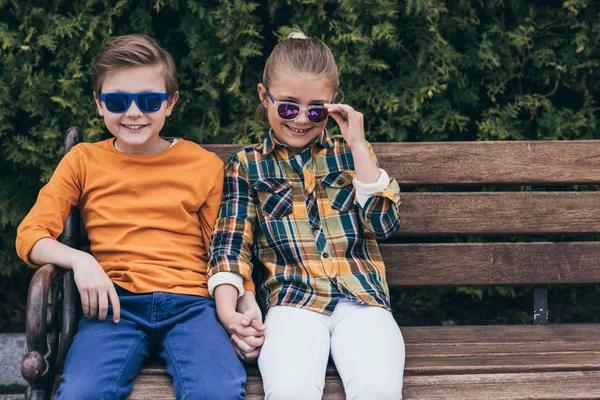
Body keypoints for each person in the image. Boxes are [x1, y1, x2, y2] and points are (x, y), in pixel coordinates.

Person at [16, 34, 258, 400]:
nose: (133, 112)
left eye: (148, 100)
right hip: (115, 306)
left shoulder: (204, 166)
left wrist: (245, 303)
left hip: (192, 307)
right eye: (117, 100)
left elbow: (224, 248)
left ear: (170, 102)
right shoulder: (83, 161)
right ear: (99, 103)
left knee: (219, 390)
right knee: (81, 392)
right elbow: (30, 235)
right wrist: (80, 260)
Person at [208, 30, 405, 399]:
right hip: (292, 302)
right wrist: (228, 310)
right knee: (290, 390)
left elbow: (384, 223)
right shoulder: (247, 165)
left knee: (378, 389)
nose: (300, 119)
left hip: (363, 301)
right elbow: (231, 243)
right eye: (287, 106)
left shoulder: (350, 156)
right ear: (263, 96)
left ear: (333, 106)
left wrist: (359, 147)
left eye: (316, 109)